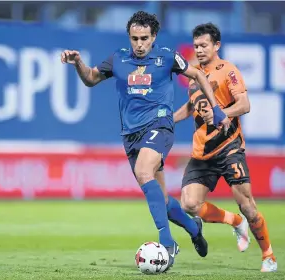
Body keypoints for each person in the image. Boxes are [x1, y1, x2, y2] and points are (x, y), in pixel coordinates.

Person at [61, 11, 230, 271]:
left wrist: (216, 110)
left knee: (143, 171)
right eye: (135, 38)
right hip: (130, 136)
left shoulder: (167, 57)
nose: (139, 44)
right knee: (161, 201)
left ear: (153, 38)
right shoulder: (118, 58)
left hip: (160, 125)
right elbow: (91, 79)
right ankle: (193, 228)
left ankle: (167, 242)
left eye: (144, 38)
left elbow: (197, 75)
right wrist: (78, 63)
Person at [173, 23, 278, 272]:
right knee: (189, 204)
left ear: (216, 45)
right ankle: (235, 222)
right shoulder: (194, 75)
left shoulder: (227, 70)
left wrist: (222, 115)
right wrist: (168, 119)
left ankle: (268, 256)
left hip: (229, 147)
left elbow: (244, 104)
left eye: (204, 45)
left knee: (248, 205)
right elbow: (191, 107)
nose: (198, 50)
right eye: (196, 45)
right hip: (202, 152)